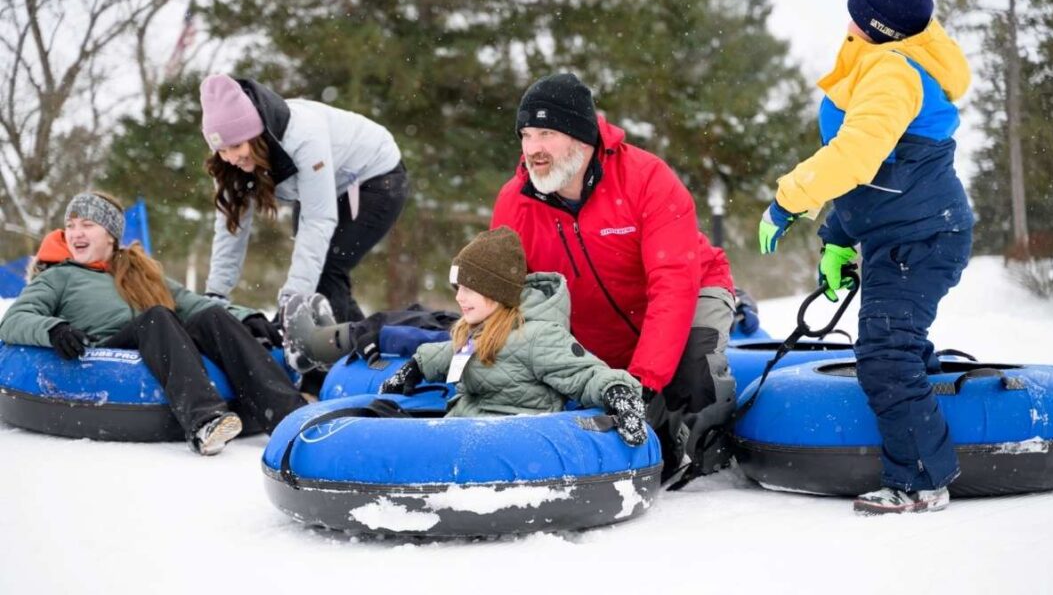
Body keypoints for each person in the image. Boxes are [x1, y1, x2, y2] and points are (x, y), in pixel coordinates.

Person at [756, 0, 972, 515]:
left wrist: (788, 201)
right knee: (891, 345)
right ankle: (935, 432)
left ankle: (923, 480)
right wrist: (836, 237)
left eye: (857, 17)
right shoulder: (876, 62)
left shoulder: (892, 72)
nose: (847, 23)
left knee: (884, 351)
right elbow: (877, 183)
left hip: (923, 240)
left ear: (878, 28)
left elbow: (855, 157)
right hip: (898, 236)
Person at [490, 72, 737, 480]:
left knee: (692, 369)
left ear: (581, 137)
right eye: (526, 135)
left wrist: (643, 382)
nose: (533, 149)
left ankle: (712, 445)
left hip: (690, 293)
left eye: (546, 133)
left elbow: (673, 287)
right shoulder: (514, 203)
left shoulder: (647, 180)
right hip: (595, 326)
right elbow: (500, 298)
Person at [0, 192, 307, 455]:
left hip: (159, 338)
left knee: (209, 317)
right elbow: (14, 319)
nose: (76, 233)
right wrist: (54, 329)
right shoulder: (59, 276)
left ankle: (288, 415)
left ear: (109, 233)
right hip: (108, 344)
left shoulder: (140, 271)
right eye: (70, 226)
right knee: (157, 317)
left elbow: (191, 302)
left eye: (87, 225)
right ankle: (204, 420)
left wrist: (245, 316)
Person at [375, 227, 647, 445]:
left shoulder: (540, 336)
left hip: (511, 444)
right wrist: (418, 365)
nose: (459, 298)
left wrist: (618, 392)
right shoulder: (480, 330)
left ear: (495, 291)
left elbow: (585, 374)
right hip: (465, 432)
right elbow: (457, 354)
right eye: (457, 288)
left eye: (468, 289)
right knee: (385, 425)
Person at [199, 73, 409, 323]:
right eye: (221, 149)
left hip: (376, 177)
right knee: (319, 273)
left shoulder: (303, 138)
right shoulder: (228, 165)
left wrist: (292, 302)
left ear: (258, 137)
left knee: (326, 269)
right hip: (329, 184)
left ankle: (337, 354)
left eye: (236, 147)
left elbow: (318, 221)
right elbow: (231, 226)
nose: (231, 157)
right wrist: (216, 293)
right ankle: (360, 344)